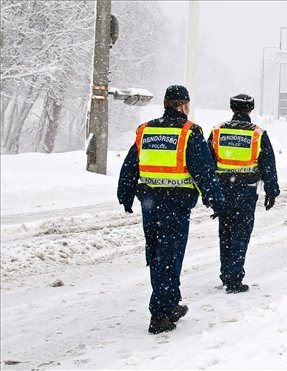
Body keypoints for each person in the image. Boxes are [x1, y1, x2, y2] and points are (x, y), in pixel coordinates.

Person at [117, 85, 224, 334]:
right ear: (184, 105)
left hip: (150, 203)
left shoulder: (147, 130)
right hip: (176, 204)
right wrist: (215, 200)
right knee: (169, 256)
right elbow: (204, 171)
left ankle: (171, 303)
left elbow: (131, 164)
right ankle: (160, 314)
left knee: (157, 253)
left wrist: (125, 194)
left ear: (166, 103)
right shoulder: (189, 132)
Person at [207, 94, 280, 294]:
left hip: (223, 191)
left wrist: (209, 192)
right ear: (251, 109)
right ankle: (234, 278)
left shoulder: (217, 131)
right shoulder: (258, 134)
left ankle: (226, 273)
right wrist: (271, 191)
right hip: (246, 192)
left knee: (225, 233)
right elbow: (268, 165)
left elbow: (208, 163)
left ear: (232, 107)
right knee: (241, 235)